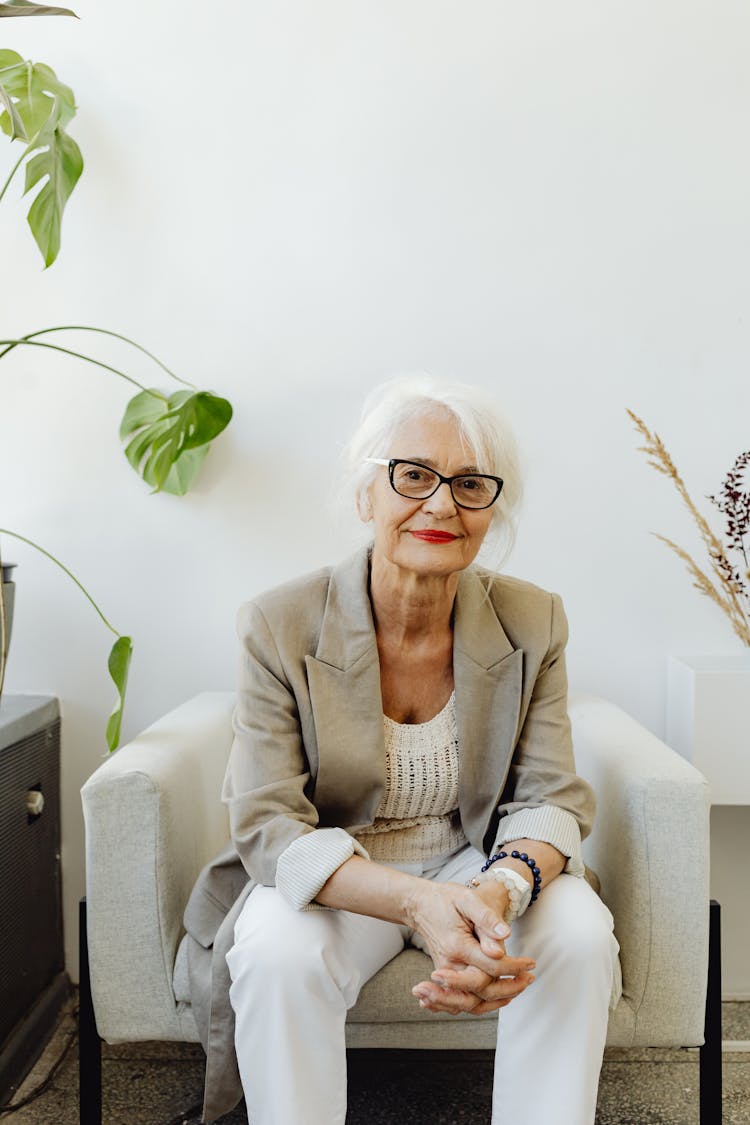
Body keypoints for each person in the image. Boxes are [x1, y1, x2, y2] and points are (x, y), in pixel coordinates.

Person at [184, 376, 620, 1125]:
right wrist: (420, 904)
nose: (442, 503)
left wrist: (498, 892)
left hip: (472, 857)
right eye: (414, 475)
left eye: (470, 483)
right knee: (277, 950)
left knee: (579, 930)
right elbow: (266, 824)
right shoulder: (279, 623)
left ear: (491, 509)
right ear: (367, 495)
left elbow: (551, 797)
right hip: (341, 869)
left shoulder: (533, 620)